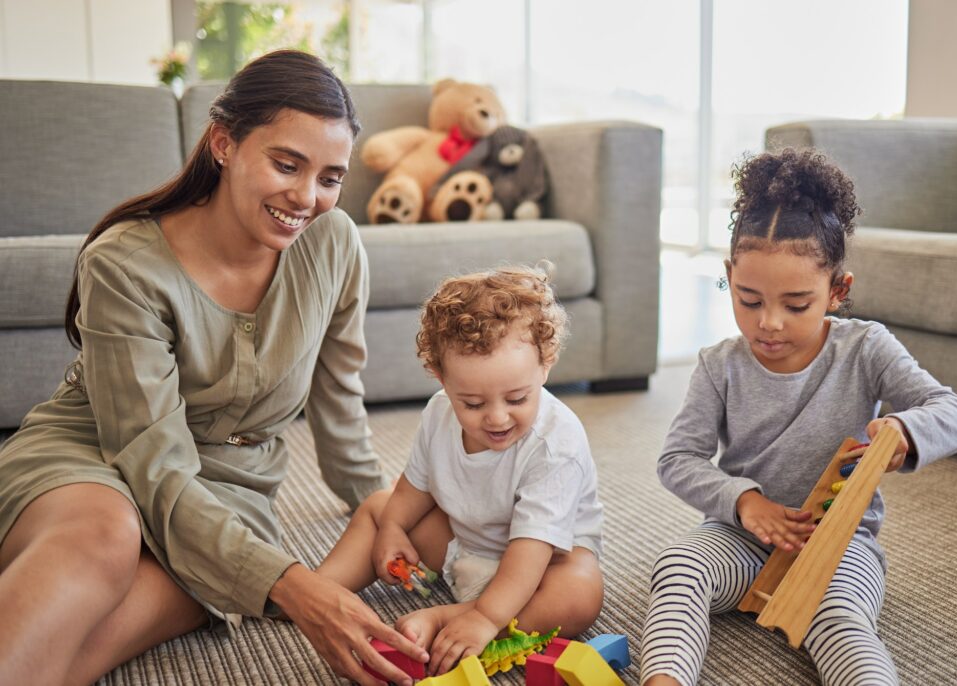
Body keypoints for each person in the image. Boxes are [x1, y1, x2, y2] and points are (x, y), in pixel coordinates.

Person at [0, 50, 429, 686]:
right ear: (223, 144)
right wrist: (294, 586)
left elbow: (338, 397)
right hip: (97, 457)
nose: (307, 198)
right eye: (287, 164)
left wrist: (376, 506)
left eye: (330, 177)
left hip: (231, 496)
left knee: (84, 644)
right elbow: (151, 460)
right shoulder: (125, 263)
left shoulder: (335, 242)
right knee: (106, 536)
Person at [640, 148, 957, 685]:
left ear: (838, 291)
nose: (768, 323)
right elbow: (677, 460)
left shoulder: (866, 348)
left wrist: (906, 430)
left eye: (796, 305)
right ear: (729, 276)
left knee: (840, 618)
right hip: (741, 536)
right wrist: (745, 502)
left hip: (840, 543)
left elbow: (954, 412)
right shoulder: (718, 365)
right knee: (678, 569)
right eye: (749, 300)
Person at [317, 265, 605, 677]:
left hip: (538, 566)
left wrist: (485, 617)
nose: (497, 418)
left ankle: (453, 616)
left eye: (518, 398)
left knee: (580, 592)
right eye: (472, 403)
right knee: (379, 508)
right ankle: (317, 591)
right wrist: (394, 529)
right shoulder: (438, 412)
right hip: (465, 541)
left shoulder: (556, 442)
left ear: (545, 364)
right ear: (440, 378)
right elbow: (416, 485)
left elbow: (531, 549)